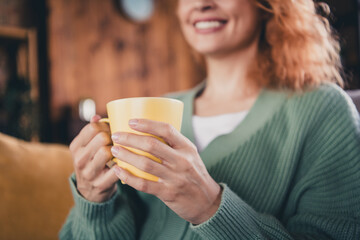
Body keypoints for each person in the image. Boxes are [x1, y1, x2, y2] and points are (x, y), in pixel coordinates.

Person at [60, 0, 360, 239]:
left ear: (269, 4)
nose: (201, 3)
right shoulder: (160, 110)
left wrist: (210, 206)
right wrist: (94, 200)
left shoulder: (323, 110)